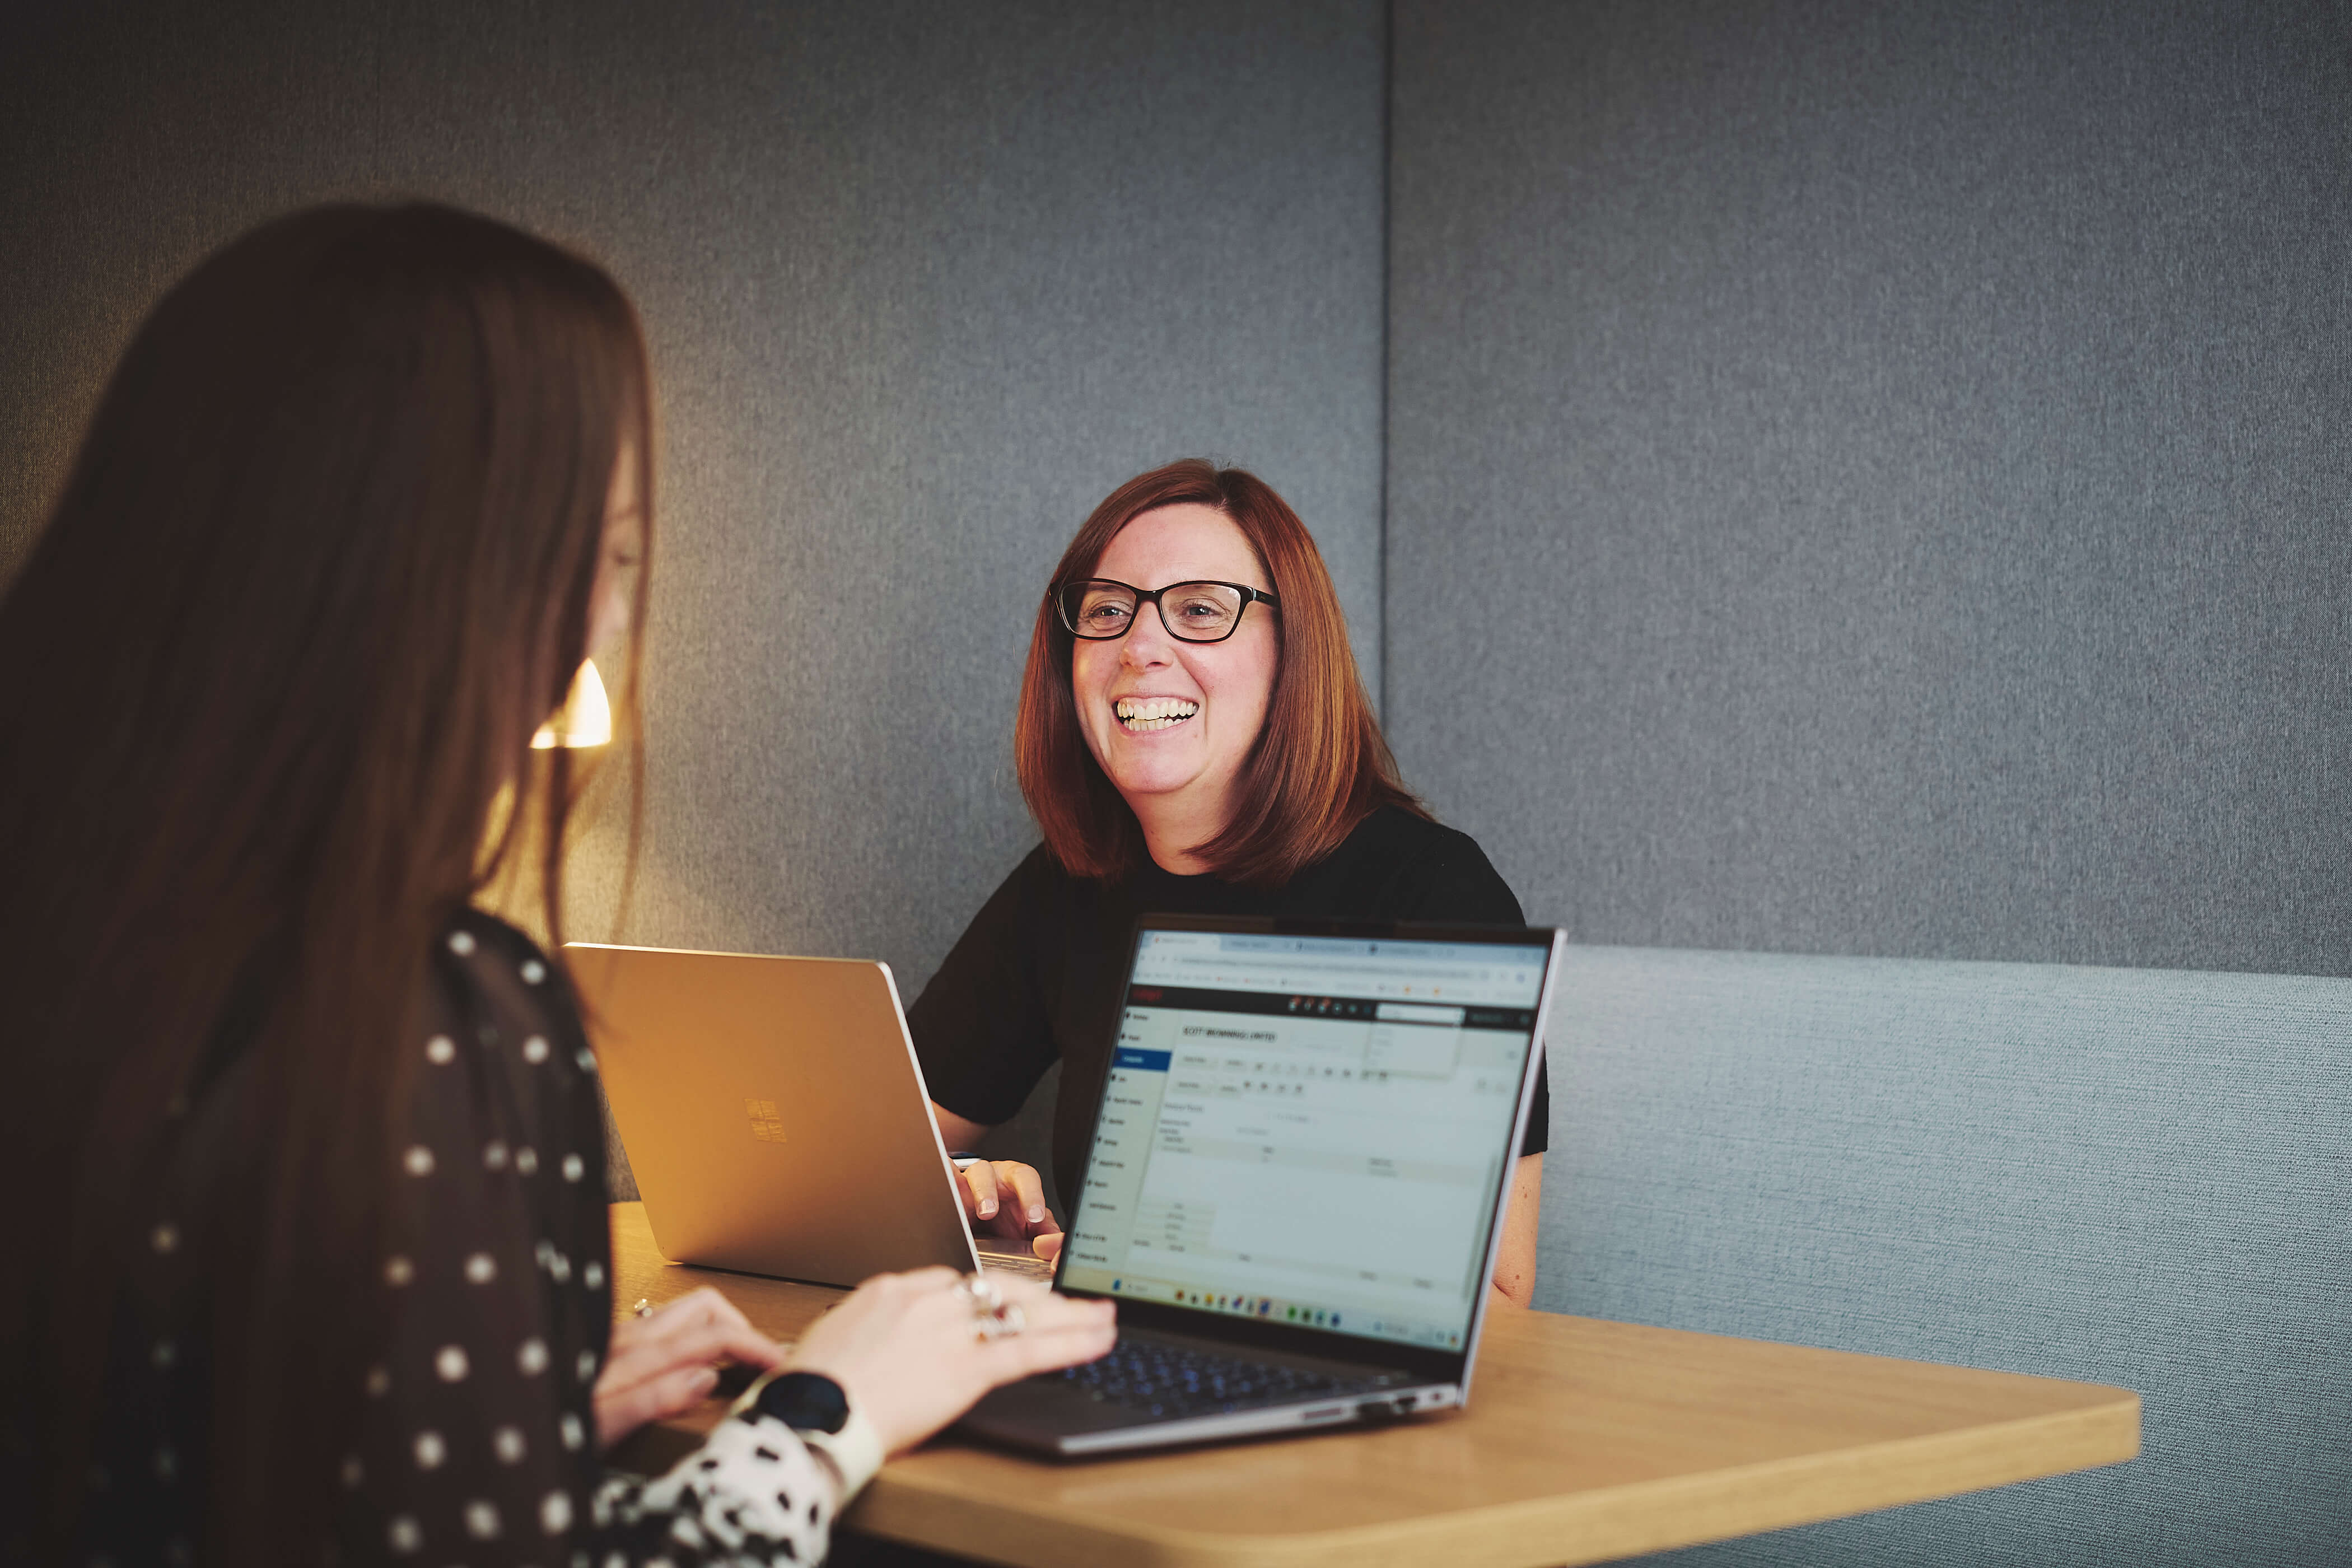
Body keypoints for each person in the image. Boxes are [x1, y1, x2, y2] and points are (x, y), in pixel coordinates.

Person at [0, 203, 1113, 1568]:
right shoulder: (402, 1011)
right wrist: (831, 1408)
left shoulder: (77, 937)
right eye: (618, 553)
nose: (609, 619)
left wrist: (475, 1439)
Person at [913, 460, 1551, 1305]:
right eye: (1107, 611)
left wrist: (1167, 1276)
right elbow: (877, 1148)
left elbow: (1501, 1303)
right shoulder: (1069, 885)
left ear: (1294, 657)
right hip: (1114, 1373)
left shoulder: (1429, 893)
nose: (1140, 646)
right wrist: (955, 1205)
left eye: (1201, 610)